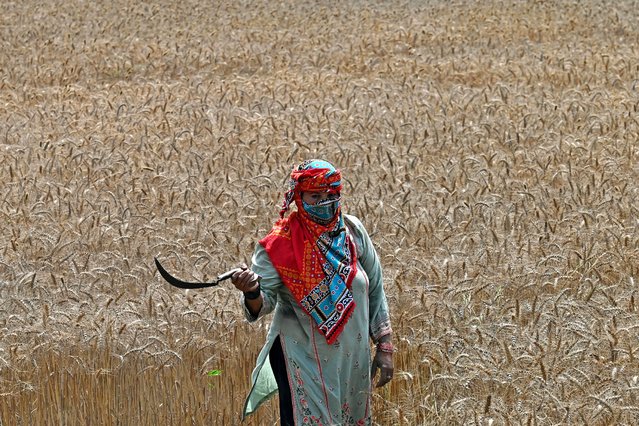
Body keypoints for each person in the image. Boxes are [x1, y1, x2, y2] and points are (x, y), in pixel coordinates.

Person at [231, 159, 394, 425]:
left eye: (330, 195)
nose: (324, 202)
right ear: (299, 196)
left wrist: (384, 347)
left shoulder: (352, 231)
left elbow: (375, 288)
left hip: (352, 360)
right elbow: (262, 303)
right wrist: (251, 291)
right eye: (315, 196)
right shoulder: (279, 245)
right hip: (303, 356)